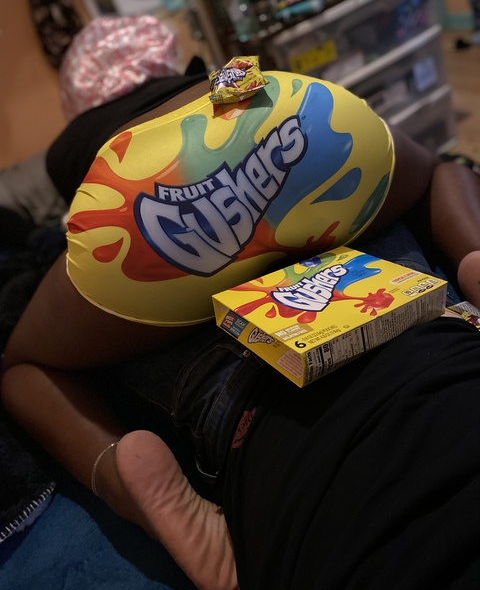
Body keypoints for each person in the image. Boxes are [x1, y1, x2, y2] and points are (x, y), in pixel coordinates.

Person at [1, 59, 479, 589]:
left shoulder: (69, 144)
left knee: (25, 366)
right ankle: (472, 257)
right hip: (271, 110)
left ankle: (122, 477)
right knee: (442, 170)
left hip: (144, 190)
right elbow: (441, 170)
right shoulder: (193, 75)